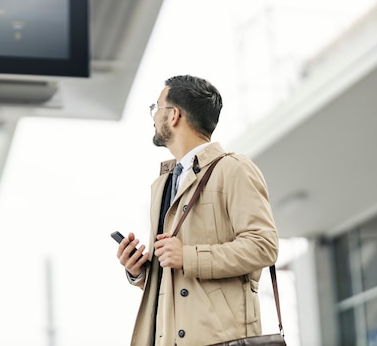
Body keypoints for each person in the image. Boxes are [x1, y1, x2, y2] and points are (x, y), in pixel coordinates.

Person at [116, 75, 279, 346]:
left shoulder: (234, 169)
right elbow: (180, 282)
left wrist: (188, 256)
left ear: (175, 115)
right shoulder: (163, 184)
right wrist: (142, 272)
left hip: (221, 339)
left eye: (157, 108)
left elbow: (264, 246)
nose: (154, 117)